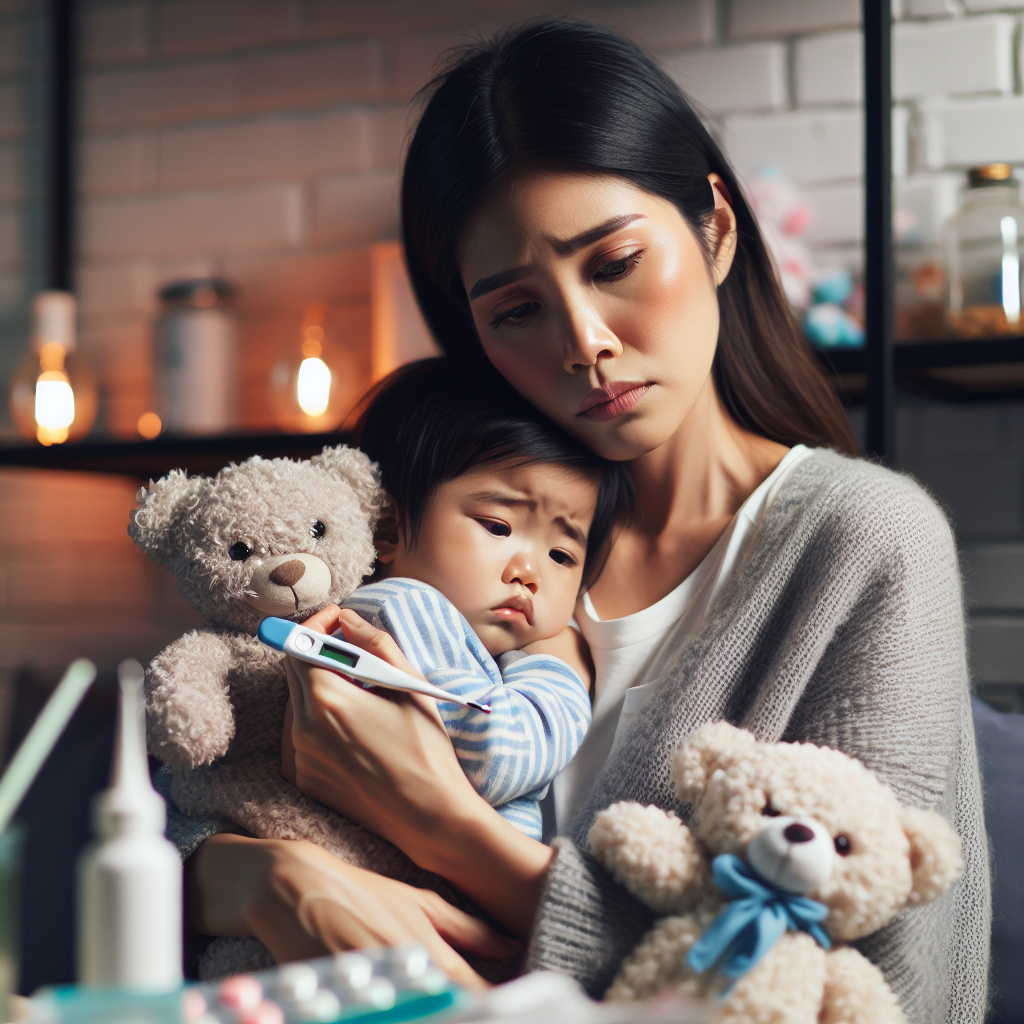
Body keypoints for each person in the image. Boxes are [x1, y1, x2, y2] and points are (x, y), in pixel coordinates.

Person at [175, 19, 989, 1022]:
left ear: (716, 228)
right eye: (516, 310)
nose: (585, 342)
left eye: (612, 263)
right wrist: (270, 881)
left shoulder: (862, 545)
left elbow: (891, 991)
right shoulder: (425, 523)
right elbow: (195, 804)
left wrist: (440, 825)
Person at [280, 358, 632, 842]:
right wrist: (558, 667)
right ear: (389, 529)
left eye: (561, 554)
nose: (528, 573)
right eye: (497, 526)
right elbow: (498, 757)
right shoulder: (400, 610)